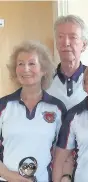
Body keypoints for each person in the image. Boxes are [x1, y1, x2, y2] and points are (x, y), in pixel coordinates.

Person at [0, 40, 66, 182]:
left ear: (44, 70)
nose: (25, 69)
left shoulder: (57, 108)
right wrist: (11, 177)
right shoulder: (3, 106)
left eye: (32, 63)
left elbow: (63, 154)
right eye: (20, 64)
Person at [47, 14, 88, 181]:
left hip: (87, 162)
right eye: (61, 37)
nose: (66, 43)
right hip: (51, 164)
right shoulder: (43, 80)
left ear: (84, 45)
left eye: (73, 37)